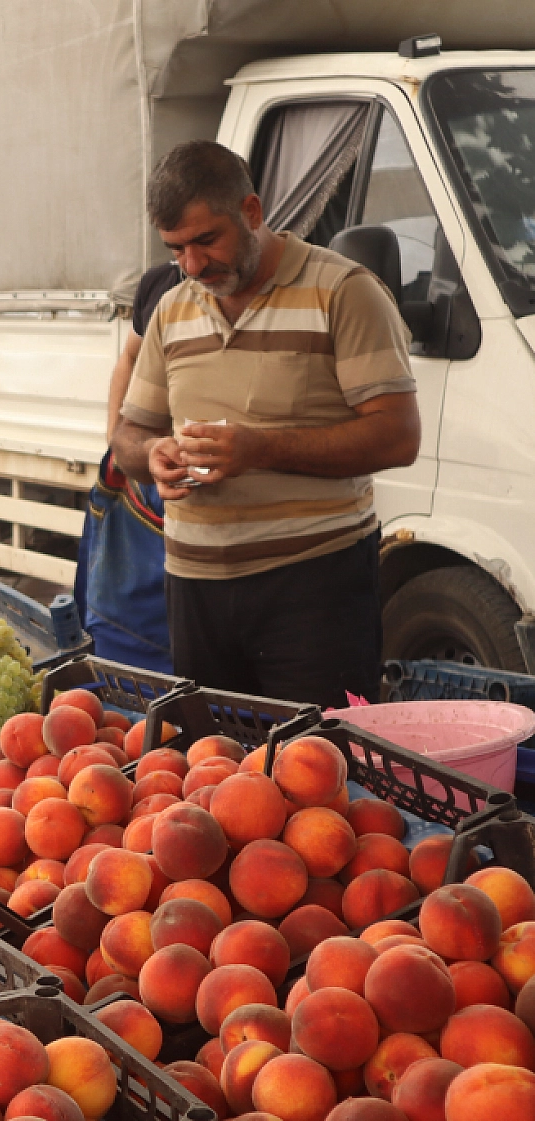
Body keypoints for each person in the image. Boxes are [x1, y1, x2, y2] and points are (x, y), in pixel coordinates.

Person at [111, 141, 420, 709]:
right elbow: (127, 437)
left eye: (207, 240)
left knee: (322, 774)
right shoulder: (173, 309)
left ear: (252, 212)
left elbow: (398, 436)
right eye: (176, 249)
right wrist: (152, 453)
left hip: (312, 587)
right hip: (193, 589)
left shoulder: (345, 292)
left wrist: (261, 449)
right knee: (212, 775)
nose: (194, 265)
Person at [73, 262, 181, 673]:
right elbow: (130, 358)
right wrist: (118, 439)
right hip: (138, 490)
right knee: (115, 633)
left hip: (185, 486)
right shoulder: (159, 283)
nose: (190, 260)